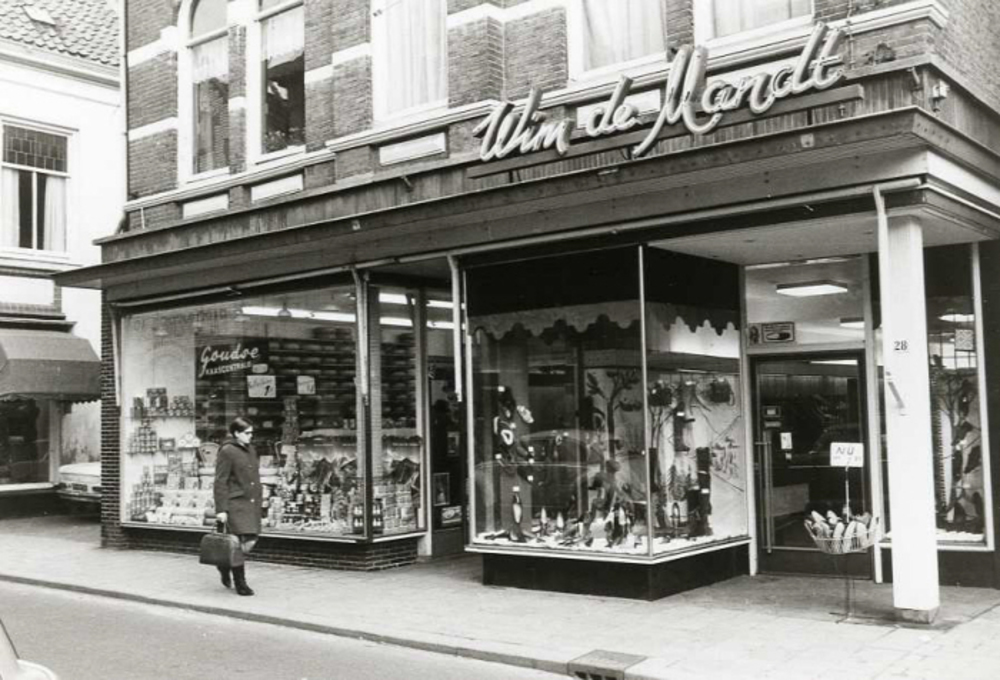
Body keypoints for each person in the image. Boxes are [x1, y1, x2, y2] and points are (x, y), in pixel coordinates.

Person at [213, 417, 262, 596]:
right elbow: (220, 481)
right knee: (237, 543)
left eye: (251, 433)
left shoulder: (251, 450)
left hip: (251, 503)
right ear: (236, 433)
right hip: (235, 503)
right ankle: (241, 583)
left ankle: (224, 564)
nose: (251, 436)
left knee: (251, 540)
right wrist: (221, 510)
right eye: (247, 433)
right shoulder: (227, 451)